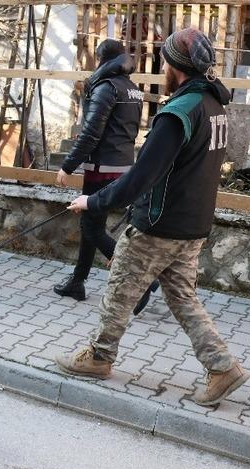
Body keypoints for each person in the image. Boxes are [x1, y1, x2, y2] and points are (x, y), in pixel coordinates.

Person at [56, 28, 250, 407]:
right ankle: (223, 368)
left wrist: (92, 202)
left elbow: (140, 177)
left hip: (159, 224)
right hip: (192, 225)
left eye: (164, 61)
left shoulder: (178, 113)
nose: (162, 67)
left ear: (175, 67)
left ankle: (99, 356)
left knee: (119, 289)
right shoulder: (214, 106)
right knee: (183, 300)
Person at [53, 39, 159, 315]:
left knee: (91, 228)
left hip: (101, 168)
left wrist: (67, 166)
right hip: (123, 165)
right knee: (92, 225)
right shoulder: (132, 88)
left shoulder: (105, 87)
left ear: (101, 59)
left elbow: (91, 134)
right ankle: (77, 282)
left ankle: (140, 282)